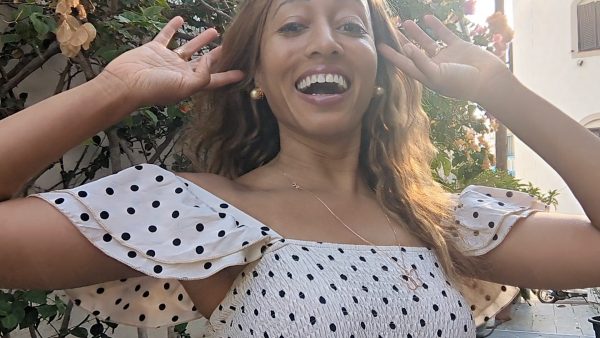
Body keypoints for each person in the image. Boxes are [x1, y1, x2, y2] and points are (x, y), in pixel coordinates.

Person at [1, 0, 599, 336]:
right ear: (257, 74)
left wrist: (501, 90)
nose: (325, 43)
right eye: (292, 25)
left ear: (381, 72)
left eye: (349, 26)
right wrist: (112, 92)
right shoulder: (197, 214)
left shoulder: (440, 222)